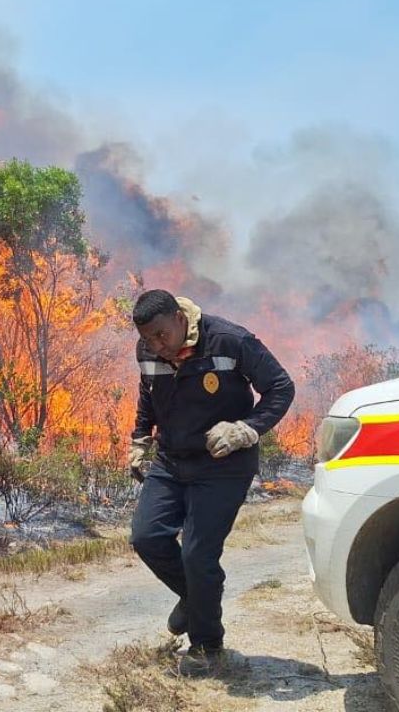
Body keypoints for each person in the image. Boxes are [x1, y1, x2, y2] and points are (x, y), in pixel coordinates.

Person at [127, 290, 294, 676]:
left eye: (160, 335)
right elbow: (147, 396)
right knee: (146, 537)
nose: (155, 345)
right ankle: (194, 596)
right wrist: (139, 440)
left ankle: (207, 645)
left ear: (179, 319)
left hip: (224, 464)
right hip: (171, 460)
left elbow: (281, 388)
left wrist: (246, 429)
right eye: (147, 338)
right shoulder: (148, 351)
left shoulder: (230, 340)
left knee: (198, 555)